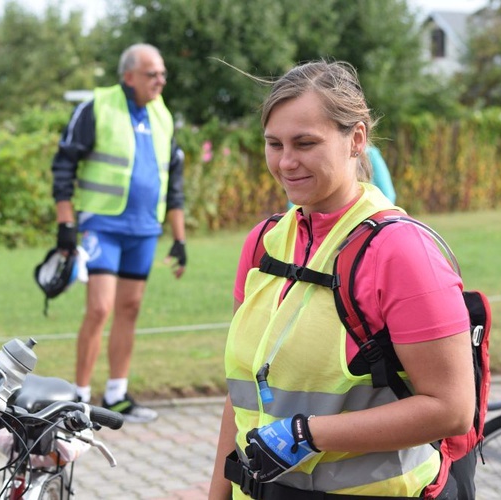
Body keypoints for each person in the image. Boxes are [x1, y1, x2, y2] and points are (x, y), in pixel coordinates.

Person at [208, 60, 474, 499]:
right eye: (274, 144)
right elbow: (243, 394)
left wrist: (309, 434)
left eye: (305, 143)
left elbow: (452, 410)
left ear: (356, 139)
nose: (286, 161)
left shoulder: (402, 252)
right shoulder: (265, 243)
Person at [51, 43, 187, 423]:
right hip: (102, 227)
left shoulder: (163, 116)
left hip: (144, 230)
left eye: (162, 73)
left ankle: (116, 395)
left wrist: (179, 238)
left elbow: (174, 181)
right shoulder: (97, 107)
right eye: (152, 74)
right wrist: (66, 224)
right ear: (129, 76)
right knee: (99, 308)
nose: (160, 80)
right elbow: (63, 165)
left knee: (130, 308)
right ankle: (78, 399)